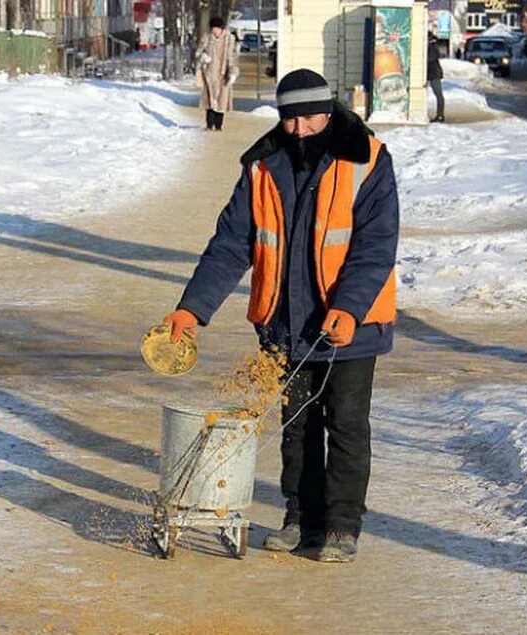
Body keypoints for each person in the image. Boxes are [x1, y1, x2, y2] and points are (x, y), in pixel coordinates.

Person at [162, 69, 399, 563]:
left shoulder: (368, 160)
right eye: (288, 120)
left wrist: (349, 308)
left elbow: (375, 247)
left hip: (350, 324)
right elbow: (230, 243)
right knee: (297, 422)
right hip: (285, 321)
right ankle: (300, 516)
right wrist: (192, 308)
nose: (297, 130)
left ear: (328, 112)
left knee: (347, 424)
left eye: (308, 118)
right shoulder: (262, 166)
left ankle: (340, 526)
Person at [194, 16, 238, 131]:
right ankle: (209, 125)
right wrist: (203, 57)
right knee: (209, 101)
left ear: (221, 28)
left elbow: (231, 57)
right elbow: (198, 52)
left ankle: (218, 126)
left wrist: (232, 72)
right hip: (209, 74)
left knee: (221, 101)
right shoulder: (207, 38)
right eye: (213, 28)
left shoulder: (229, 39)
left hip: (223, 75)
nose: (215, 31)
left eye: (217, 28)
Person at [427, 31, 445, 123]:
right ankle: (440, 115)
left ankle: (440, 115)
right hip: (432, 73)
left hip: (434, 73)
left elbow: (430, 58)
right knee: (438, 95)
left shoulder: (432, 47)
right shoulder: (433, 46)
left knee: (438, 94)